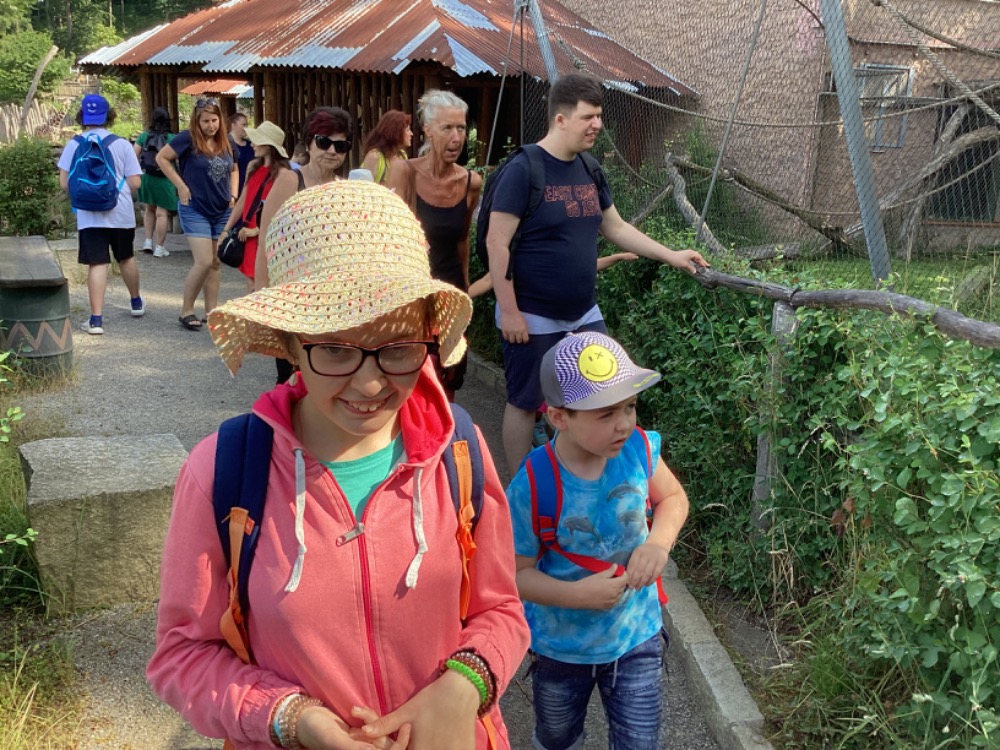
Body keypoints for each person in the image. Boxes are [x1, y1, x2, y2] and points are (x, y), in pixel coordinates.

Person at [147, 179, 530, 750]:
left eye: (397, 347)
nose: (370, 383)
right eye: (334, 349)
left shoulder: (459, 451)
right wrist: (289, 717)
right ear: (290, 344)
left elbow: (501, 609)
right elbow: (183, 656)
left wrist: (465, 685)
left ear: (427, 336)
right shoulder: (223, 471)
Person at [485, 73, 710, 475]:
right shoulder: (524, 169)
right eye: (588, 117)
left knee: (602, 392)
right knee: (525, 401)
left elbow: (616, 227)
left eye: (599, 116)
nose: (597, 125)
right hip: (532, 314)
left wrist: (671, 255)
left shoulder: (589, 169)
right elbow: (496, 242)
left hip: (583, 312)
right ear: (560, 119)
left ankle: (581, 480)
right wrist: (511, 312)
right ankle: (522, 491)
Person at [507, 331, 689, 750]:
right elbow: (514, 574)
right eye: (606, 414)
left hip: (636, 635)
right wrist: (577, 595)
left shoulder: (638, 449)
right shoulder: (534, 482)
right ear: (559, 417)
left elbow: (673, 498)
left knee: (639, 741)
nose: (624, 423)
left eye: (630, 406)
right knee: (557, 736)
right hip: (560, 649)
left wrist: (658, 544)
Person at [388, 90, 482, 399]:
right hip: (411, 298)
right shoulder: (405, 172)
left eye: (461, 128)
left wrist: (465, 292)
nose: (457, 138)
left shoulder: (471, 182)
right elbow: (390, 239)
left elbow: (462, 240)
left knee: (447, 386)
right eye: (447, 128)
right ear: (428, 130)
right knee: (408, 387)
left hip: (449, 299)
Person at [257, 106, 354, 385]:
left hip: (331, 296)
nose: (332, 151)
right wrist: (262, 294)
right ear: (309, 143)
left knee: (326, 372)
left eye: (340, 145)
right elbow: (266, 239)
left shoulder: (343, 187)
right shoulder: (291, 180)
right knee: (292, 371)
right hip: (293, 293)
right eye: (324, 142)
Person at [57, 94, 144, 335]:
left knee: (97, 263)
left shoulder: (74, 144)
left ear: (82, 117)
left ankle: (96, 320)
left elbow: (64, 183)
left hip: (88, 216)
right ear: (109, 116)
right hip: (121, 213)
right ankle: (136, 302)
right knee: (126, 257)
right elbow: (135, 183)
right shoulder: (122, 144)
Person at [156, 97, 237, 331]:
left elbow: (234, 168)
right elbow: (162, 158)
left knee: (215, 262)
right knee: (203, 261)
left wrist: (233, 194)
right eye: (206, 121)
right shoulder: (187, 138)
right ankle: (186, 310)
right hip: (195, 207)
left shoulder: (227, 140)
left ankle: (211, 311)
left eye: (214, 120)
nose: (211, 125)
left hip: (222, 208)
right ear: (197, 121)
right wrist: (180, 185)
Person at [219, 120, 291, 290]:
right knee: (251, 283)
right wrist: (226, 230)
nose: (252, 144)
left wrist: (257, 230)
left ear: (269, 146)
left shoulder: (283, 174)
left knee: (262, 284)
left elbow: (284, 211)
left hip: (266, 235)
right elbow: (243, 201)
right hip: (247, 233)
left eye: (257, 141)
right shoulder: (253, 166)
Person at [134, 106, 178, 258]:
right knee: (162, 213)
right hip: (165, 178)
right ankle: (159, 247)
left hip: (147, 177)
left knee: (149, 209)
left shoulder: (144, 136)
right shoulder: (172, 138)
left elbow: (134, 155)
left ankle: (147, 242)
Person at [361, 110, 412, 185]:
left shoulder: (402, 155)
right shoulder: (374, 157)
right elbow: (365, 188)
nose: (411, 133)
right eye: (407, 130)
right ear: (395, 132)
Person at [229, 111, 255, 193]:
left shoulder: (250, 145)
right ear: (233, 125)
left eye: (247, 125)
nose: (246, 128)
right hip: (230, 189)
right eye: (243, 125)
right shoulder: (225, 144)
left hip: (248, 188)